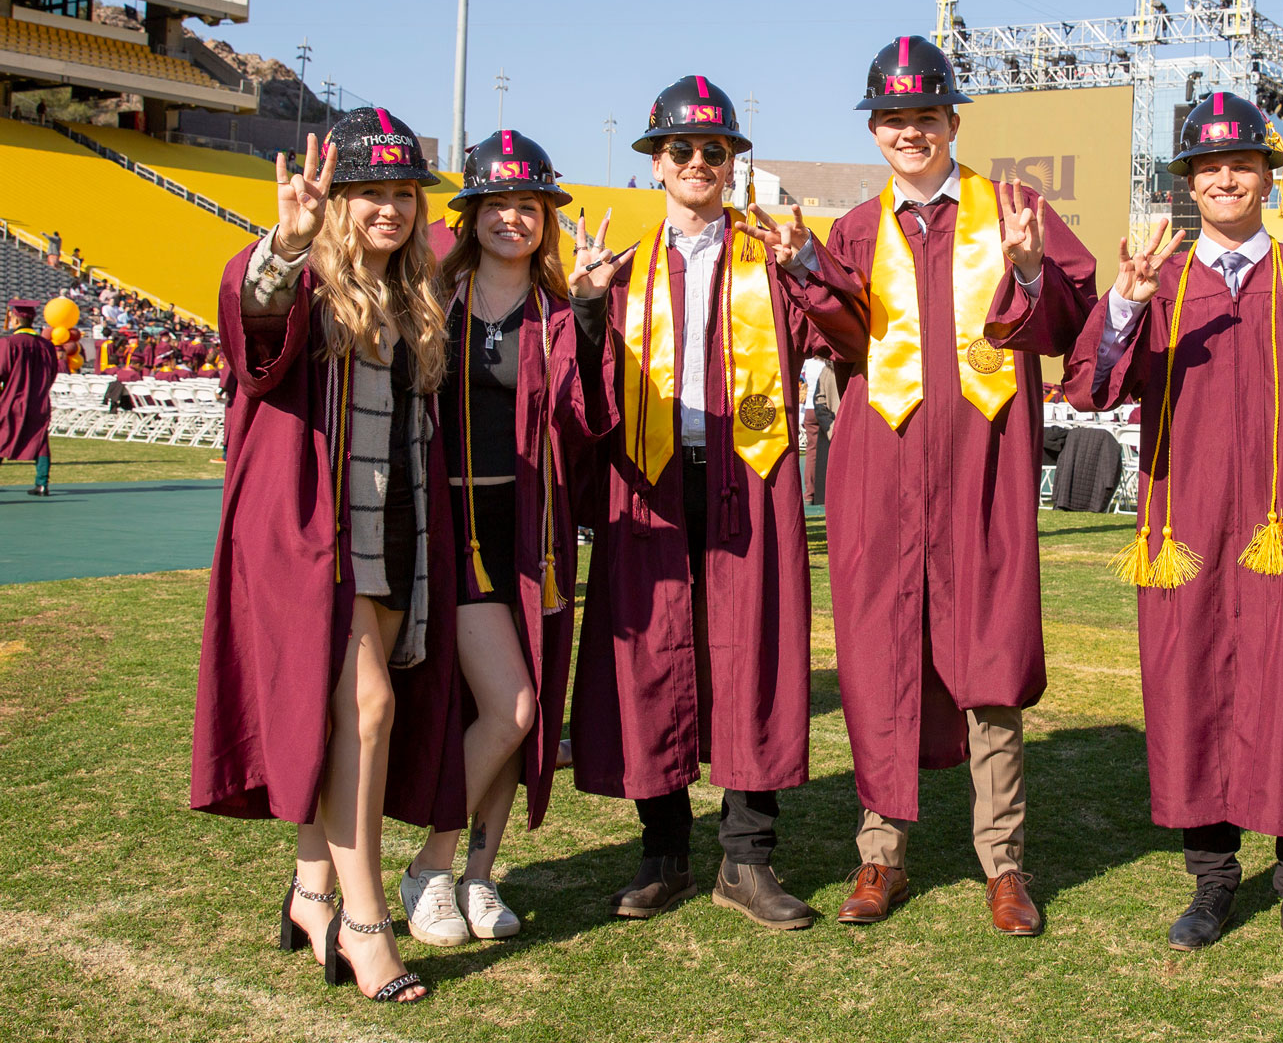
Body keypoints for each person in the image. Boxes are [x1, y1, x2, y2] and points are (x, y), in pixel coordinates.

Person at [1062, 93, 1283, 963]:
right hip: (1187, 534)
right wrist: (1126, 305)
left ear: (1267, 176)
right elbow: (1092, 390)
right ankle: (1214, 883)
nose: (1225, 177)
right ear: (1189, 183)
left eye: (1241, 164)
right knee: (1195, 699)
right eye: (1207, 167)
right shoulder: (1159, 283)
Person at [773, 35, 1098, 935]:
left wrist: (1030, 268)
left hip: (982, 471)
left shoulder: (1013, 209)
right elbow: (837, 335)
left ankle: (1004, 865)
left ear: (953, 121)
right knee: (882, 659)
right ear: (876, 130)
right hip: (881, 472)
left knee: (989, 661)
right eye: (892, 118)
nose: (908, 131)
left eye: (925, 116)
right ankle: (881, 856)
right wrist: (803, 267)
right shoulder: (854, 229)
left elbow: (1072, 313)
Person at [190, 112, 462, 1005]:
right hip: (310, 538)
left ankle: (311, 891)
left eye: (403, 191)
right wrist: (282, 243)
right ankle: (365, 922)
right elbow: (256, 330)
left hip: (388, 538)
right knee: (368, 708)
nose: (389, 206)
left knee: (343, 723)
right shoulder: (300, 277)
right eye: (369, 191)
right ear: (336, 200)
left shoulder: (414, 296)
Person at [569, 76, 820, 931]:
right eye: (683, 149)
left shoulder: (769, 262)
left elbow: (847, 337)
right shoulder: (623, 271)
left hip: (748, 473)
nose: (699, 162)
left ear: (733, 163)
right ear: (655, 164)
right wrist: (589, 310)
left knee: (753, 657)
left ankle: (748, 859)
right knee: (656, 659)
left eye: (716, 150)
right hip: (650, 484)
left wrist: (812, 267)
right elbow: (588, 391)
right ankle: (664, 853)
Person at [396, 129, 609, 946]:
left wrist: (589, 312)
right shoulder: (430, 299)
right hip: (449, 530)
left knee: (517, 708)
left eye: (528, 206)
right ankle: (432, 866)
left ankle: (480, 878)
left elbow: (590, 418)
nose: (512, 219)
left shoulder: (560, 314)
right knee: (511, 708)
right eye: (497, 204)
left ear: (545, 218)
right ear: (471, 213)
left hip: (533, 535)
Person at [0, 300, 57, 496]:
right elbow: (52, 373)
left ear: (15, 319)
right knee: (40, 440)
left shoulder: (8, 343)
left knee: (1, 437)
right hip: (39, 401)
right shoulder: (47, 346)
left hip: (12, 400)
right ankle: (42, 484)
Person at [799, 354, 838, 505]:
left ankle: (810, 492)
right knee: (825, 453)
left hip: (810, 408)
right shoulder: (826, 367)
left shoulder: (808, 363)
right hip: (822, 408)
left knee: (813, 453)